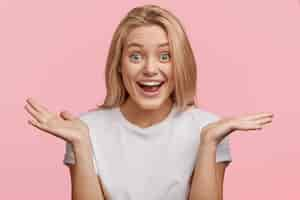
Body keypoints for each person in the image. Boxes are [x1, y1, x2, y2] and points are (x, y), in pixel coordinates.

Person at [24, 4, 274, 200]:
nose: (150, 69)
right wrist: (80, 144)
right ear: (119, 66)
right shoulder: (84, 130)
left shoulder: (208, 128)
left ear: (181, 64)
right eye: (135, 56)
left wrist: (208, 143)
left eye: (165, 56)